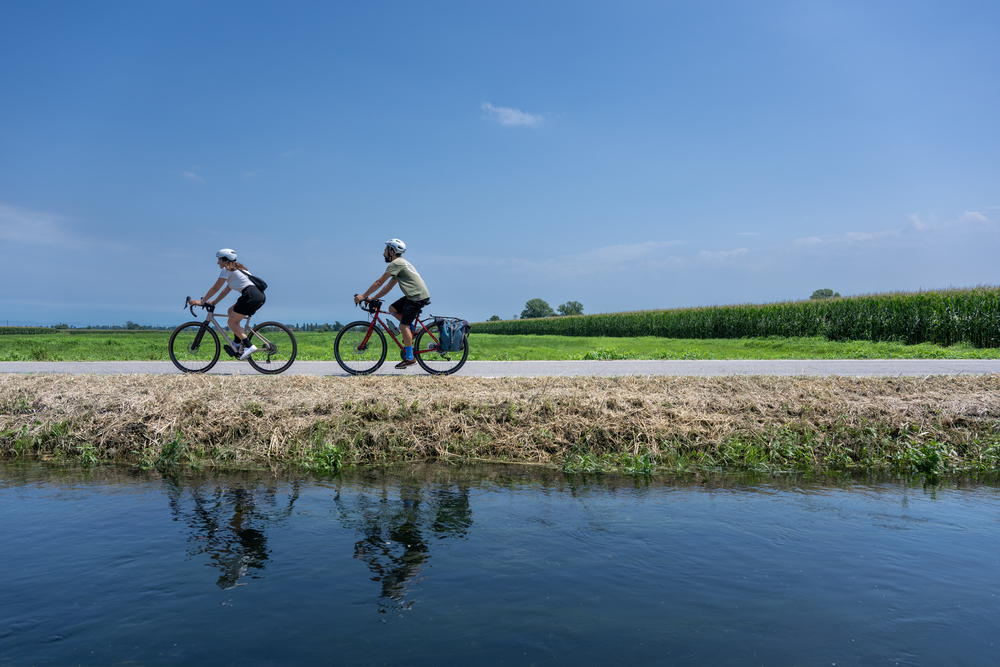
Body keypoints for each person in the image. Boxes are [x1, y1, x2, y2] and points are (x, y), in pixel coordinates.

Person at [354, 239, 431, 369]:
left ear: (392, 251)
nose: (383, 253)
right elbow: (387, 287)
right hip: (414, 295)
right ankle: (415, 331)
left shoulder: (395, 263)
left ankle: (410, 358)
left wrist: (363, 296)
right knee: (392, 308)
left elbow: (379, 282)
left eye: (385, 250)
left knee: (403, 326)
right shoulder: (399, 265)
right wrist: (373, 297)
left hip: (416, 297)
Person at [190, 249, 265, 360]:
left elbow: (215, 288)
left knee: (231, 322)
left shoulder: (226, 270)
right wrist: (214, 302)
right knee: (231, 311)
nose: (217, 263)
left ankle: (249, 346)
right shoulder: (239, 270)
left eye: (218, 260)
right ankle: (237, 342)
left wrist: (202, 302)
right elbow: (226, 289)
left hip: (250, 296)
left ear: (224, 260)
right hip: (258, 295)